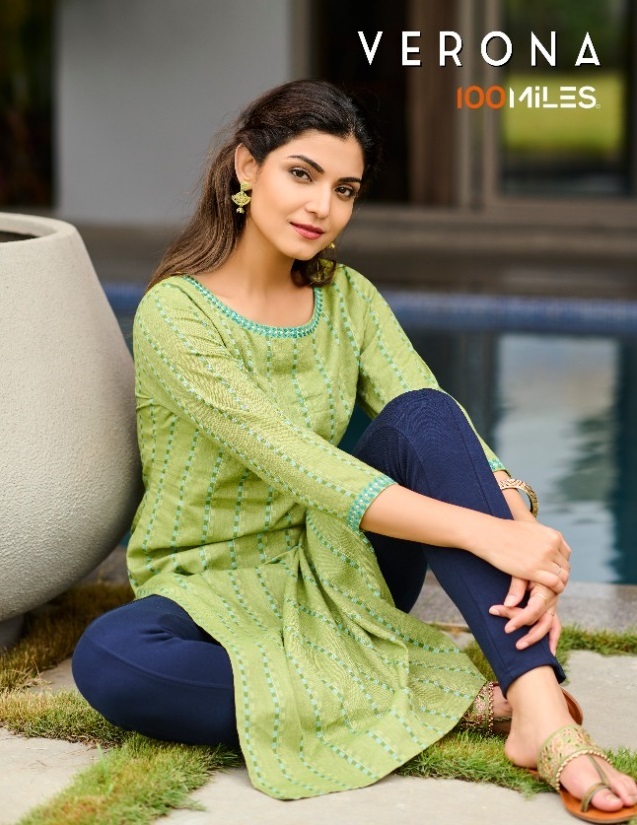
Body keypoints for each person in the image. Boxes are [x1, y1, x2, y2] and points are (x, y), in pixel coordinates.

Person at [73, 79, 637, 819]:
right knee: (112, 660)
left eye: (344, 190)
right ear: (247, 167)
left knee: (424, 414)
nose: (322, 207)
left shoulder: (348, 298)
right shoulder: (174, 314)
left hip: (343, 568)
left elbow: (437, 422)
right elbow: (297, 461)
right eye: (301, 174)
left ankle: (539, 711)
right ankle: (432, 694)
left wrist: (518, 524)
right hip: (211, 585)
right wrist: (490, 535)